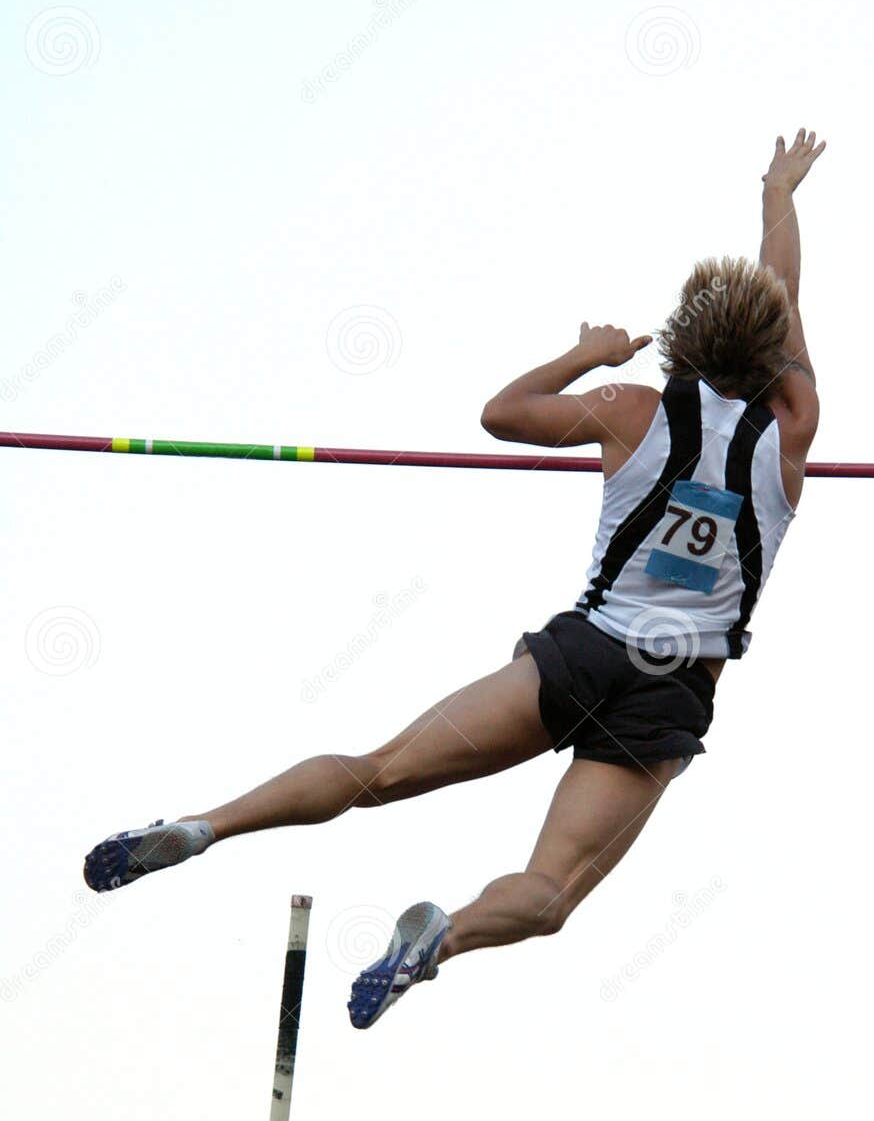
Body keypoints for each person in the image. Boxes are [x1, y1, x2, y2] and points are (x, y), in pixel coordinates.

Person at [84, 129, 826, 1029]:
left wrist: (587, 354)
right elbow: (782, 298)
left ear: (685, 343)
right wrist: (780, 198)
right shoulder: (790, 434)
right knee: (548, 894)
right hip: (665, 696)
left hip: (580, 657)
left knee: (378, 771)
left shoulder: (629, 410)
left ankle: (208, 825)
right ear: (772, 360)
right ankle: (443, 939)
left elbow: (501, 414)